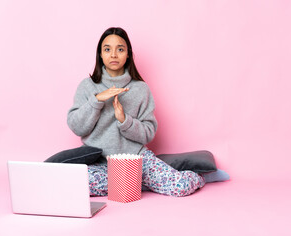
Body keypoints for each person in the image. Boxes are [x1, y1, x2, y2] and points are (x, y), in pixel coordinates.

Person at [67, 27, 228, 197]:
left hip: (138, 160)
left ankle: (202, 177)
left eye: (120, 49)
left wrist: (124, 121)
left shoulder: (141, 89)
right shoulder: (87, 86)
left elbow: (148, 134)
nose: (113, 55)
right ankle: (138, 183)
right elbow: (77, 127)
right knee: (76, 185)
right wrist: (97, 100)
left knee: (180, 187)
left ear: (128, 54)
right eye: (107, 49)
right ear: (100, 54)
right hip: (101, 165)